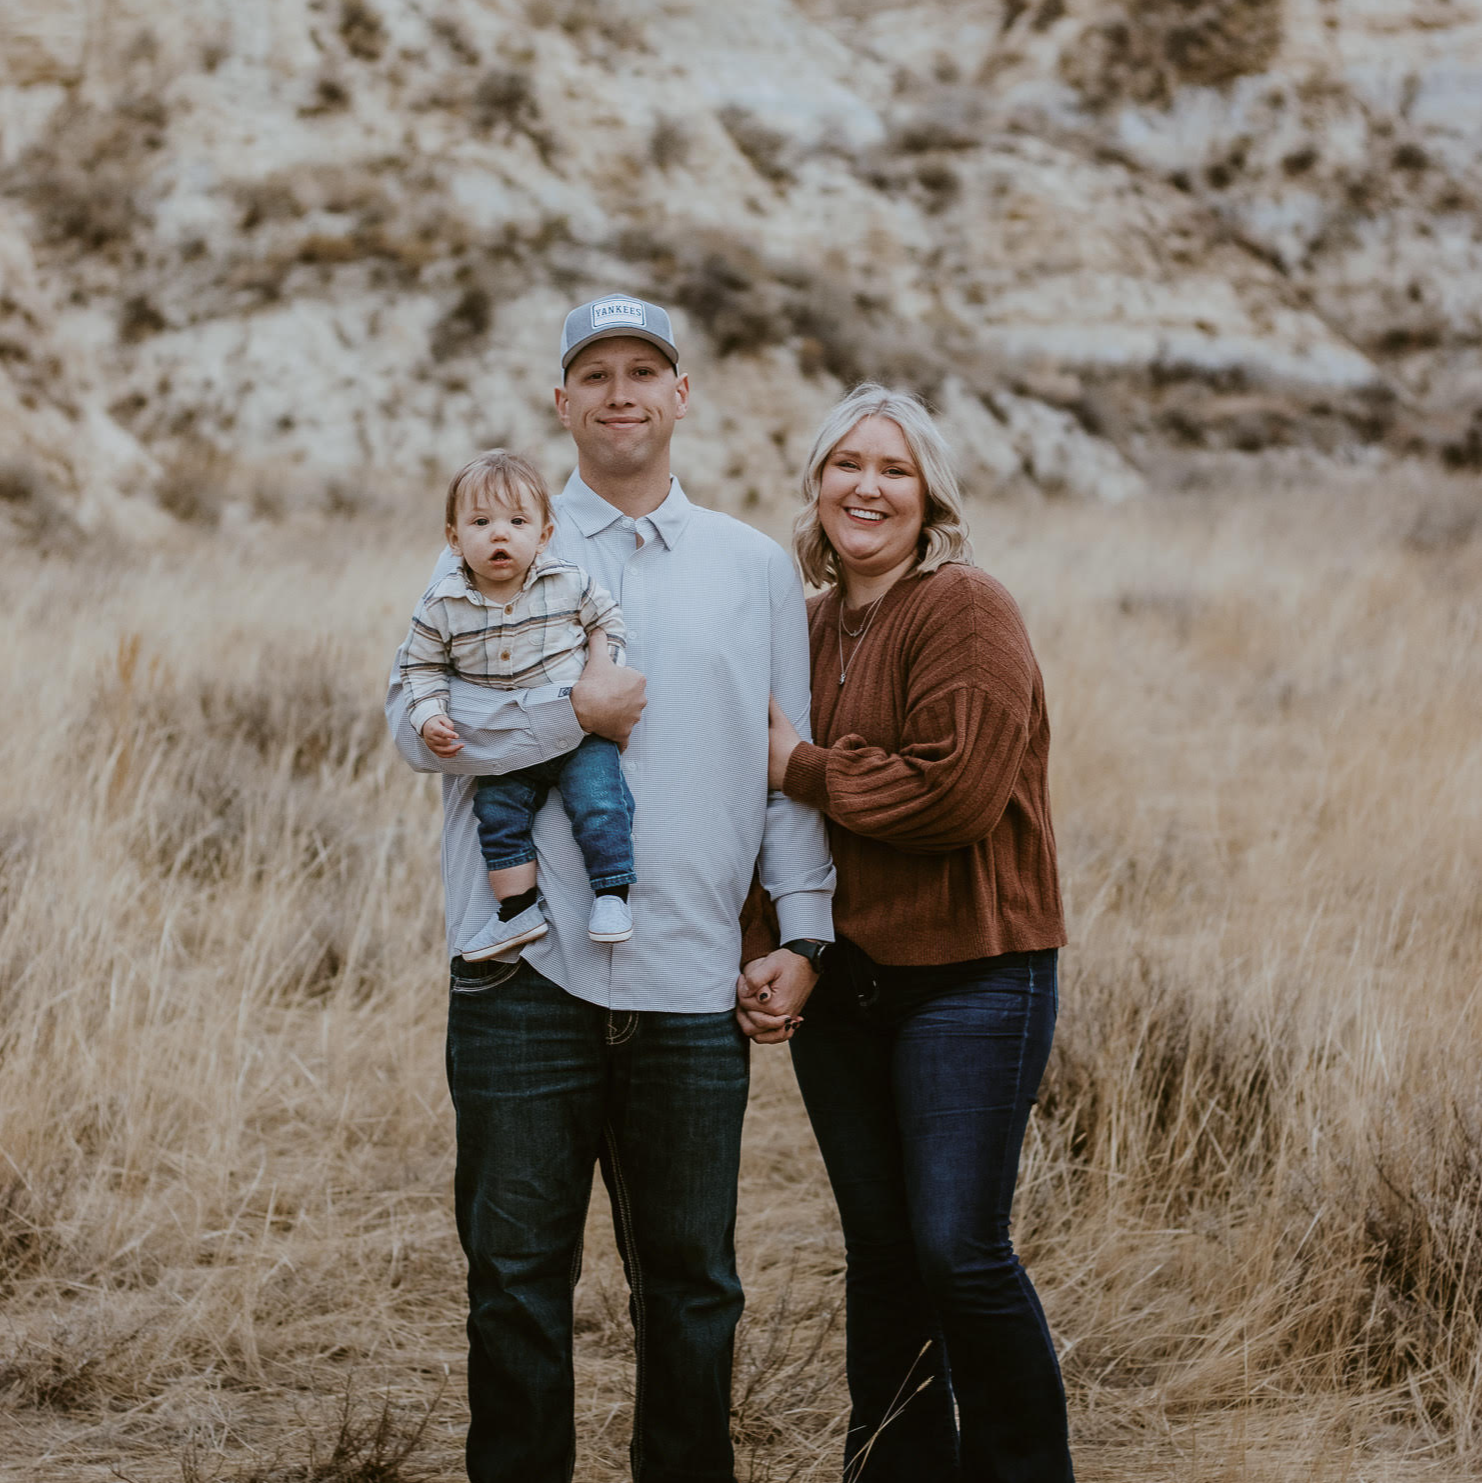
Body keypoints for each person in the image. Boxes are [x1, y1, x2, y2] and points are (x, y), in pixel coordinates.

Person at [384, 293, 834, 1483]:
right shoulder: (497, 543)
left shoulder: (753, 569)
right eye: (596, 374)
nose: (621, 392)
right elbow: (413, 727)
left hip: (691, 981)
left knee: (691, 1289)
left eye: (645, 370)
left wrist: (803, 930)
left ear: (681, 395)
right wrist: (563, 713)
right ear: (561, 401)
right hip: (521, 973)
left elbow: (785, 762)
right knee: (516, 1286)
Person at [738, 383, 1074, 1482]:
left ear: (929, 493)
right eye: (847, 465)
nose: (867, 486)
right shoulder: (801, 620)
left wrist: (802, 763)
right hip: (849, 982)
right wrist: (775, 942)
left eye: (892, 468)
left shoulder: (964, 606)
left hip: (974, 974)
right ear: (816, 485)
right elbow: (768, 819)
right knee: (882, 1256)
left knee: (957, 1249)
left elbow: (955, 794)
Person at [398, 448, 638, 957]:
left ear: (543, 534)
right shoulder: (442, 604)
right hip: (507, 743)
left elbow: (608, 622)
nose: (499, 533)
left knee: (600, 801)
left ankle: (612, 894)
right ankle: (517, 911)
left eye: (517, 521)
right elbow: (420, 667)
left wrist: (603, 671)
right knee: (498, 815)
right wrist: (429, 715)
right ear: (454, 538)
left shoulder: (567, 582)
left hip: (580, 732)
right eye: (480, 522)